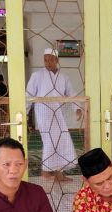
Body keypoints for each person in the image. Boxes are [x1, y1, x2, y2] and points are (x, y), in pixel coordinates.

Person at [26, 48, 82, 182]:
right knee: (50, 141)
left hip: (58, 112)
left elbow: (71, 93)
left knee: (62, 140)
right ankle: (45, 171)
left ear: (57, 60)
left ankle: (58, 173)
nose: (48, 62)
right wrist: (25, 112)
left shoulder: (63, 77)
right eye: (45, 60)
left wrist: (78, 108)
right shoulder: (37, 75)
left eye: (51, 59)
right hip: (43, 112)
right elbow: (28, 94)